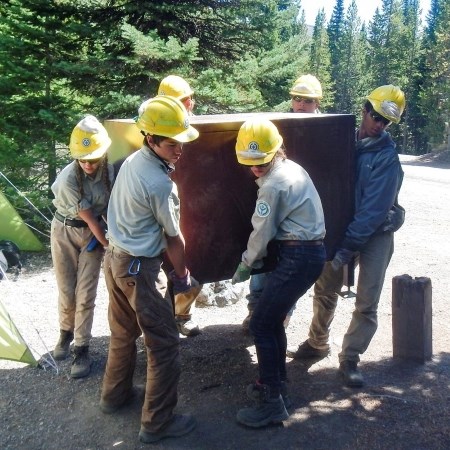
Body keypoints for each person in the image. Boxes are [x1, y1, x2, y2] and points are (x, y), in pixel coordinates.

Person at [287, 85, 406, 388]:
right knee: (324, 287)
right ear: (365, 109)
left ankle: (350, 357)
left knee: (367, 300)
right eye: (376, 116)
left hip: (375, 232)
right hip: (339, 226)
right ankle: (317, 342)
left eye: (385, 121)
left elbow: (372, 212)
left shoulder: (386, 157)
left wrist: (346, 249)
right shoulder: (341, 139)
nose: (378, 124)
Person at [99, 96, 200, 444]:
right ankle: (157, 423)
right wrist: (183, 276)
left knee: (123, 334)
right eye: (173, 144)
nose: (180, 151)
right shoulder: (160, 184)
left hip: (115, 260)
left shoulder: (132, 163)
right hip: (140, 270)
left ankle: (114, 397)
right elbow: (174, 239)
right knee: (165, 346)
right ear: (151, 138)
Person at [231, 118, 326, 428]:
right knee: (272, 322)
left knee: (260, 323)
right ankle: (277, 386)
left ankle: (272, 403)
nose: (256, 169)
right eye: (250, 164)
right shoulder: (291, 168)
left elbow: (261, 233)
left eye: (261, 163)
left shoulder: (273, 185)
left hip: (298, 255)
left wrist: (246, 264)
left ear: (276, 151)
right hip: (308, 253)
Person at [243, 74, 323, 332]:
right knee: (262, 277)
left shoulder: (328, 132)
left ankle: (274, 323)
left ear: (317, 102)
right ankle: (258, 315)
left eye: (307, 100)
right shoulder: (277, 127)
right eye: (297, 98)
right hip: (278, 224)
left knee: (287, 286)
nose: (301, 104)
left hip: (302, 233)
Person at [51, 115, 114, 378]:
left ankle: (82, 348)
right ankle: (65, 333)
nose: (88, 164)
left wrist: (109, 240)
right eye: (82, 158)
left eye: (93, 158)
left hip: (92, 234)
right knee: (67, 290)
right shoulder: (68, 179)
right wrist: (109, 244)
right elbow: (87, 215)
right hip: (65, 231)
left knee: (86, 293)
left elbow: (109, 209)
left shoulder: (110, 172)